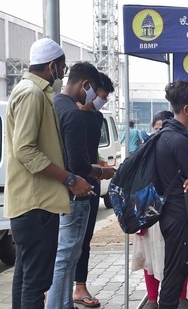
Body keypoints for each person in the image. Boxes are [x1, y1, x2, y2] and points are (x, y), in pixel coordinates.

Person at [4, 38, 93, 309]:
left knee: (25, 278)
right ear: (52, 65)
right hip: (36, 203)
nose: (63, 74)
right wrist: (70, 179)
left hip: (30, 203)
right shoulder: (31, 93)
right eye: (63, 68)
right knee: (36, 282)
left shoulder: (30, 90)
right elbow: (26, 150)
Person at [46, 62, 114, 309]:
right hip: (76, 192)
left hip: (58, 190)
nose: (96, 99)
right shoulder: (72, 114)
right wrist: (101, 171)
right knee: (65, 257)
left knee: (66, 254)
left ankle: (63, 302)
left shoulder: (53, 105)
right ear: (86, 85)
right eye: (95, 93)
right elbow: (78, 163)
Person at [131, 109, 188, 309]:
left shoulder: (182, 147)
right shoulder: (146, 152)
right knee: (151, 257)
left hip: (176, 214)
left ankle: (180, 296)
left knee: (178, 259)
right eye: (156, 129)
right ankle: (152, 298)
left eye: (163, 129)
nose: (160, 133)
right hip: (151, 214)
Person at [155, 80, 188, 309]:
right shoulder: (178, 140)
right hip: (178, 216)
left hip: (168, 214)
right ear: (187, 109)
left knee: (174, 270)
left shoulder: (164, 133)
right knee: (175, 274)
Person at [73, 72, 116, 308]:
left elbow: (91, 151)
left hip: (90, 183)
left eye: (105, 98)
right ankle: (52, 289)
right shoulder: (66, 111)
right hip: (70, 184)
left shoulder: (95, 118)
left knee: (84, 239)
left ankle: (80, 287)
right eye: (101, 96)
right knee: (62, 243)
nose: (101, 101)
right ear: (88, 87)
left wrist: (101, 166)